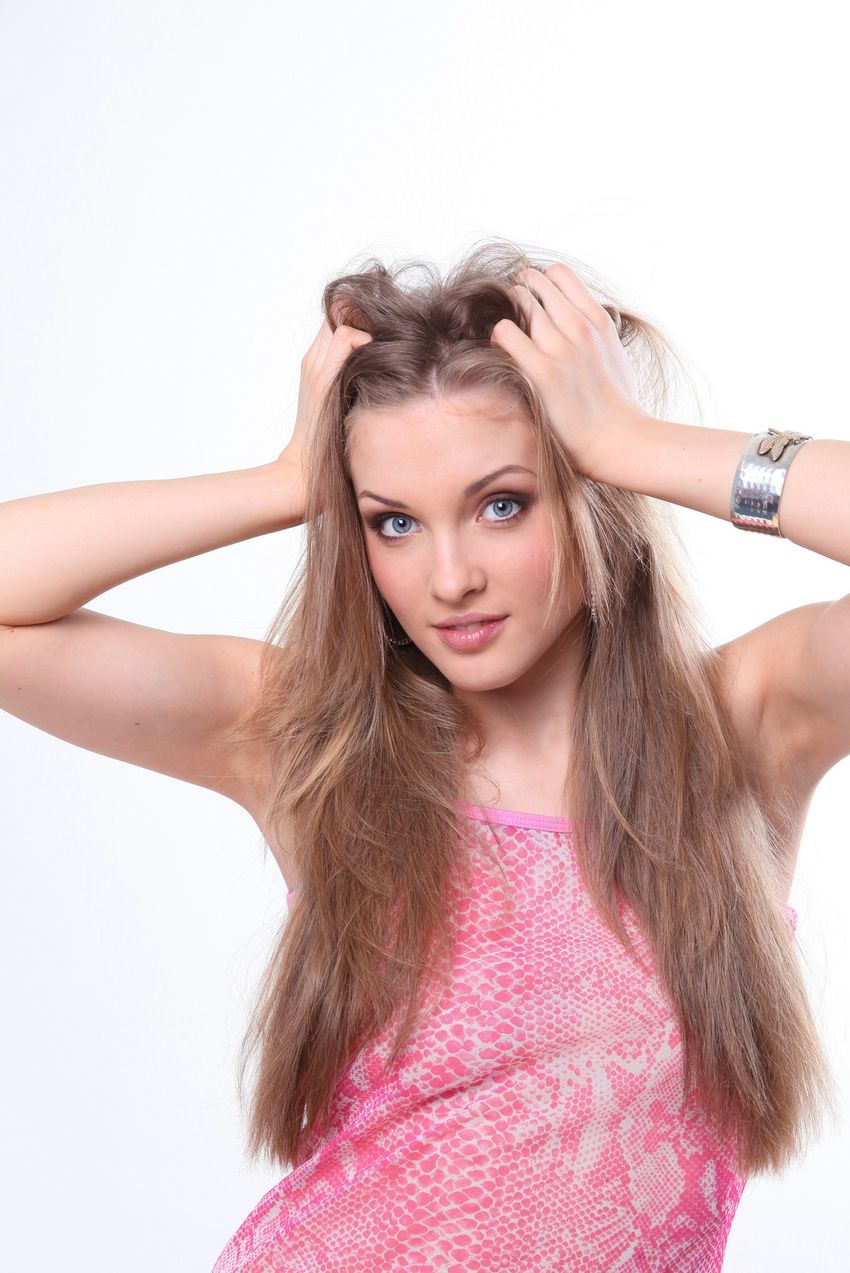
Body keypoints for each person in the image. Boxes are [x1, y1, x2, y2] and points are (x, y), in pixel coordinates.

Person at [1, 239, 847, 1271]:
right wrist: (284, 480)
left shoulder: (744, 726)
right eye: (393, 522)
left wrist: (632, 443)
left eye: (502, 504)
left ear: (587, 493)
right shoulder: (309, 742)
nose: (448, 577)